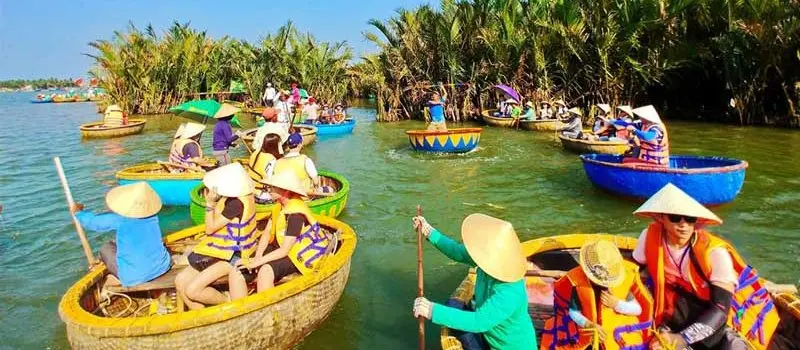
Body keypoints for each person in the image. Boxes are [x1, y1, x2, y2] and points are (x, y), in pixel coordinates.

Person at [632, 183, 780, 350]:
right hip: (672, 316)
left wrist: (682, 339)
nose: (683, 224)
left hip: (716, 324)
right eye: (675, 217)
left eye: (689, 218)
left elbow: (720, 309)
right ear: (660, 218)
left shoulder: (714, 253)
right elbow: (634, 267)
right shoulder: (649, 237)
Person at [411, 213, 537, 349]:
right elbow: (458, 252)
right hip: (488, 335)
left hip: (506, 346)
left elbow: (479, 321)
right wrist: (430, 232)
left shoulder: (511, 292)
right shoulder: (488, 261)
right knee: (453, 305)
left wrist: (431, 310)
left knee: (457, 315)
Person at [540, 240, 653, 349]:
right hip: (588, 332)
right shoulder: (579, 284)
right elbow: (573, 312)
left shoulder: (620, 284)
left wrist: (616, 304)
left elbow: (637, 309)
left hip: (615, 334)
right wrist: (588, 324)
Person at [175, 163, 259, 309]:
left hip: (234, 256)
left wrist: (209, 204)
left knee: (192, 290)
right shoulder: (236, 198)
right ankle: (201, 317)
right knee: (180, 280)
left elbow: (210, 229)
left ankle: (226, 301)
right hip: (223, 251)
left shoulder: (236, 204)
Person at [233, 171, 331, 295]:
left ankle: (267, 308)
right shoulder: (278, 206)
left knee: (265, 271)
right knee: (237, 268)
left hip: (296, 253)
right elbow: (267, 232)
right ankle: (242, 306)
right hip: (280, 247)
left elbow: (285, 250)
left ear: (285, 192)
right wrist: (258, 255)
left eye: (273, 187)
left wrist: (259, 262)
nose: (269, 189)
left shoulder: (295, 214)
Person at [71, 182, 170, 287]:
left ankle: (115, 275)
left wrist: (78, 212)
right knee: (117, 243)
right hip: (163, 267)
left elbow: (92, 222)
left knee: (105, 249)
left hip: (135, 277)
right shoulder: (153, 216)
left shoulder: (120, 219)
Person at [247, 124, 289, 204]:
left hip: (252, 189)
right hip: (262, 195)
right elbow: (271, 180)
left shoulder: (255, 153)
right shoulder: (270, 159)